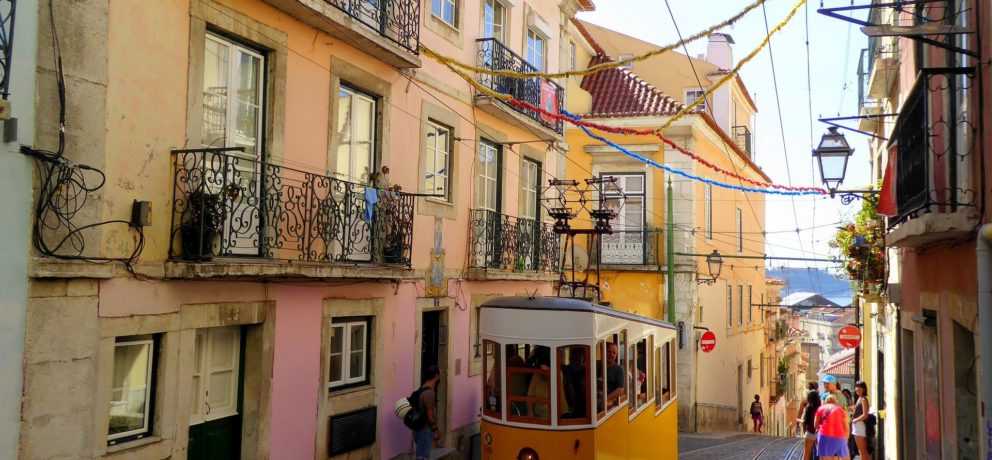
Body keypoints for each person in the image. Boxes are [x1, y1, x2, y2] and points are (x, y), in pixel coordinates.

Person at [414, 365, 441, 460]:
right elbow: (430, 415)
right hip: (424, 430)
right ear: (436, 375)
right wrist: (436, 430)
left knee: (421, 455)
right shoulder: (429, 393)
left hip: (419, 428)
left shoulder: (421, 389)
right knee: (423, 457)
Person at [815, 394, 850, 460]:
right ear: (836, 401)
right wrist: (846, 439)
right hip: (839, 436)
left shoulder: (820, 408)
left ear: (825, 402)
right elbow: (846, 427)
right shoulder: (841, 410)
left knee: (825, 457)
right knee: (844, 458)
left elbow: (815, 425)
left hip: (824, 436)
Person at [796, 383, 821, 460]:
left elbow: (804, 421)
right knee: (820, 454)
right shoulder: (821, 407)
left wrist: (797, 420)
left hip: (810, 433)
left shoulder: (808, 407)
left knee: (806, 454)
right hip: (819, 433)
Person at [851, 381, 872, 460]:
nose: (857, 389)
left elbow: (865, 415)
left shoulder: (863, 399)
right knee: (862, 451)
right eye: (856, 387)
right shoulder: (859, 399)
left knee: (862, 451)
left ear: (864, 389)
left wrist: (855, 420)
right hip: (857, 427)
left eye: (859, 387)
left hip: (860, 427)